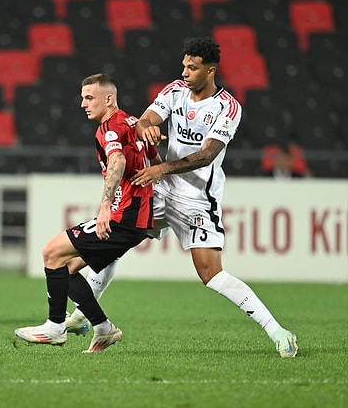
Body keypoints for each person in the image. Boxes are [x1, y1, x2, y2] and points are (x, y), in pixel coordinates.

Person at [66, 38, 299, 358]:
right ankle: (82, 317)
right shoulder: (175, 90)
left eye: (193, 67)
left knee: (211, 274)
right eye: (184, 65)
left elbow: (207, 155)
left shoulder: (228, 107)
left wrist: (161, 168)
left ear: (210, 70)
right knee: (116, 239)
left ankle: (278, 332)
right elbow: (147, 118)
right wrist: (147, 128)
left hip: (197, 200)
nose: (185, 72)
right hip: (161, 191)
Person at [14, 73, 161, 353]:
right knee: (66, 268)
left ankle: (55, 328)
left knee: (51, 252)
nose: (83, 104)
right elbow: (156, 161)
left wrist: (106, 206)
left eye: (89, 97)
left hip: (123, 216)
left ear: (109, 98)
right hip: (136, 217)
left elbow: (117, 160)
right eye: (82, 98)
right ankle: (103, 329)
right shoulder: (133, 123)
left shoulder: (110, 128)